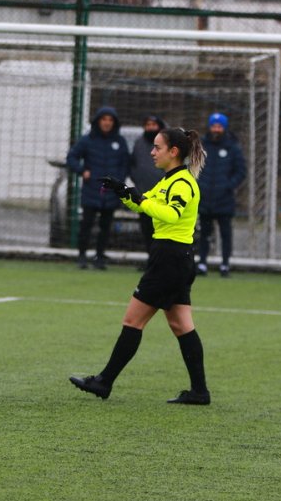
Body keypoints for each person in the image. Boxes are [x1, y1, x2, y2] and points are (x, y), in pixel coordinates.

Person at [69, 126, 211, 405]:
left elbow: (169, 214)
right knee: (182, 325)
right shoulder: (169, 180)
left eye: (157, 148)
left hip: (169, 260)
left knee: (133, 321)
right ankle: (199, 391)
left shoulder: (182, 183)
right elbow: (144, 206)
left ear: (174, 152)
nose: (152, 152)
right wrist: (124, 192)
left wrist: (142, 199)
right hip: (175, 259)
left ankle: (104, 382)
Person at [65, 106, 130, 270]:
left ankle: (99, 257)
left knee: (105, 227)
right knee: (86, 224)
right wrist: (82, 171)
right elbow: (71, 157)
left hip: (111, 192)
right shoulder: (88, 140)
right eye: (104, 119)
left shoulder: (119, 142)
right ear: (98, 121)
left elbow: (125, 164)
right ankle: (82, 256)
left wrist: (119, 181)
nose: (107, 123)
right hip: (91, 190)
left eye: (110, 120)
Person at [196, 112, 246, 277]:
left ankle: (225, 264)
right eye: (213, 126)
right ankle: (202, 262)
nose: (216, 129)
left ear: (224, 128)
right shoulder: (201, 145)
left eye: (219, 126)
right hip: (204, 198)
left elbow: (241, 171)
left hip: (224, 199)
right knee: (204, 233)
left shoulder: (233, 147)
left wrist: (228, 186)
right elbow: (193, 167)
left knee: (226, 234)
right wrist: (199, 186)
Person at [129, 114, 167, 257]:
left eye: (153, 125)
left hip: (163, 196)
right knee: (146, 229)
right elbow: (133, 164)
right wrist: (137, 179)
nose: (151, 128)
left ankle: (161, 259)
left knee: (161, 229)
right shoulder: (139, 143)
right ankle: (151, 259)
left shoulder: (168, 143)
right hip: (144, 194)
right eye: (148, 124)